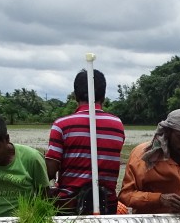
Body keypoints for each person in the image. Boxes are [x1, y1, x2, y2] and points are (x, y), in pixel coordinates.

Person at [45, 68, 126, 214]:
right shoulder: (117, 125)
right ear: (104, 95)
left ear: (75, 95)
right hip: (108, 207)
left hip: (68, 206)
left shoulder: (61, 125)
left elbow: (50, 171)